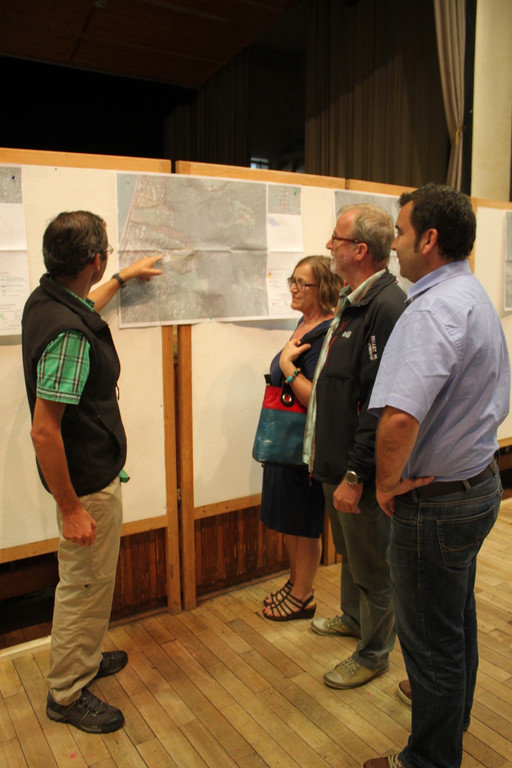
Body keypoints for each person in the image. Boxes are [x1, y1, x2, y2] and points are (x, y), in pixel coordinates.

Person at [363, 184, 510, 768]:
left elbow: (400, 418)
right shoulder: (470, 293)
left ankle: (428, 760)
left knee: (430, 643)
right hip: (477, 485)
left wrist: (384, 484)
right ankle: (452, 728)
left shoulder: (430, 310)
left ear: (429, 239)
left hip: (437, 503)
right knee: (454, 624)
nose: (393, 245)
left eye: (400, 233)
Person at [21, 210, 162, 734]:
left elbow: (87, 305)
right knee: (84, 587)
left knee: (90, 585)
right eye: (108, 263)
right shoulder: (68, 334)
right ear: (95, 259)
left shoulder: (47, 300)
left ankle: (83, 657)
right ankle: (66, 692)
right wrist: (71, 508)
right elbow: (44, 431)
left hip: (88, 475)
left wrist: (123, 278)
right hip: (85, 487)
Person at [304, 203, 406, 689]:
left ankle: (373, 653)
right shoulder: (353, 300)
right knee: (351, 554)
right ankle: (352, 618)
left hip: (356, 470)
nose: (329, 246)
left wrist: (354, 474)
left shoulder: (387, 307)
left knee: (373, 567)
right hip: (335, 461)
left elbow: (380, 405)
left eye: (336, 239)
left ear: (360, 250)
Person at [260, 255, 343, 621]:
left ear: (322, 288)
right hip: (287, 440)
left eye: (301, 283)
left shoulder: (325, 333)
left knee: (305, 523)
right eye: (291, 280)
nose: (293, 288)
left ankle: (303, 596)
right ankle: (295, 584)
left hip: (304, 444)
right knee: (291, 520)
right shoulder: (304, 322)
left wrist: (287, 367)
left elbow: (317, 398)